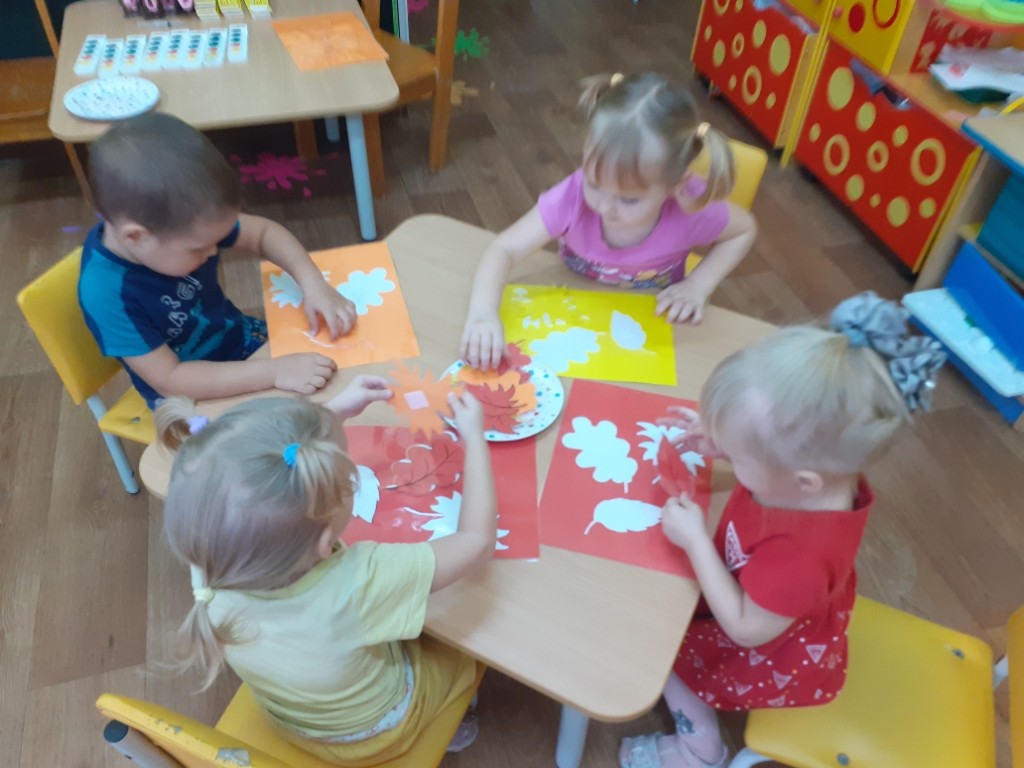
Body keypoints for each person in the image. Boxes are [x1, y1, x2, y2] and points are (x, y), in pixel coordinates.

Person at [620, 292, 946, 768]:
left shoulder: (800, 558)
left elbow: (745, 629)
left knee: (656, 646)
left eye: (740, 456)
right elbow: (772, 459)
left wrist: (694, 541)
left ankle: (699, 747)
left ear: (802, 481)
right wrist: (727, 443)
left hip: (763, 648)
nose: (730, 459)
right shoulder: (814, 475)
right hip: (765, 596)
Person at [156, 377, 496, 764]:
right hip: (380, 735)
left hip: (294, 722)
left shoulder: (208, 557)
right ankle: (455, 724)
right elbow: (476, 541)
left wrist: (331, 415)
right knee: (467, 646)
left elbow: (268, 470)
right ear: (324, 542)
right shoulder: (359, 580)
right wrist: (475, 438)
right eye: (347, 482)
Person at [461, 71, 757, 370]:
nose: (604, 206)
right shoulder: (572, 196)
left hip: (651, 326)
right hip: (576, 308)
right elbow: (504, 249)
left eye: (628, 199)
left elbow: (743, 231)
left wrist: (698, 285)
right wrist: (483, 313)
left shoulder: (689, 205)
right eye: (594, 183)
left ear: (675, 186)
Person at [79, 112, 356, 408]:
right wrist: (274, 372)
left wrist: (313, 284)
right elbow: (170, 380)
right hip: (192, 399)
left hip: (244, 346)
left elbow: (263, 233)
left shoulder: (178, 227)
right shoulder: (105, 294)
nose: (213, 252)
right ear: (136, 236)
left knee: (346, 380)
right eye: (200, 248)